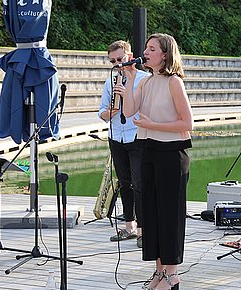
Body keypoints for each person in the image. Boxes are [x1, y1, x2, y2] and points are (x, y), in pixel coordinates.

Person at [121, 33, 193, 290]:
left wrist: (153, 124)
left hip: (172, 153)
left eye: (152, 48)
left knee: (169, 214)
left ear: (165, 54)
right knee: (150, 213)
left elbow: (187, 123)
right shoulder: (145, 81)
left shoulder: (174, 82)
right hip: (149, 150)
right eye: (146, 48)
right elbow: (129, 111)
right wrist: (129, 79)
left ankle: (172, 274)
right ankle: (159, 272)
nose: (146, 52)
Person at [99, 40, 150, 248]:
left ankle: (143, 231)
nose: (117, 64)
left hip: (137, 137)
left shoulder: (145, 79)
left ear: (130, 56)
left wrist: (127, 97)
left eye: (120, 59)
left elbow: (147, 110)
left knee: (140, 184)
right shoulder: (110, 82)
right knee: (124, 183)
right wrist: (114, 105)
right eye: (112, 61)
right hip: (116, 137)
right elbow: (102, 113)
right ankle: (129, 226)